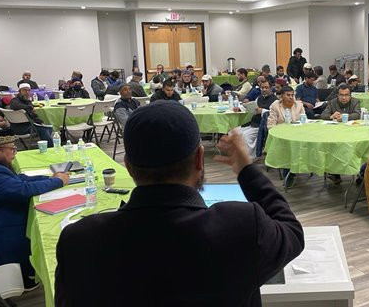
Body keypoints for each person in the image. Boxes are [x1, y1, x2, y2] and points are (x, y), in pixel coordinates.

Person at [54, 101, 304, 306]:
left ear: (128, 166)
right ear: (199, 159)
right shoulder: (242, 226)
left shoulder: (78, 241)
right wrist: (246, 170)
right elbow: (291, 231)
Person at [0, 129, 69, 289]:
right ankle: (28, 276)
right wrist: (58, 182)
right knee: (45, 225)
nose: (15, 153)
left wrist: (50, 178)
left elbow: (17, 180)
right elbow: (23, 190)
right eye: (13, 149)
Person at [320, 84, 362, 184]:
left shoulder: (355, 101)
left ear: (350, 95)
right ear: (337, 95)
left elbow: (357, 114)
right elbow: (323, 115)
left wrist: (345, 116)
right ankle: (334, 172)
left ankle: (356, 169)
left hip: (352, 132)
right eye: (341, 95)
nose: (343, 97)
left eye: (346, 95)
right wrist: (331, 116)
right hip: (335, 133)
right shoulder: (332, 102)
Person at [268, 86, 305, 187]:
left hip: (298, 134)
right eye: (288, 95)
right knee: (288, 148)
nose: (291, 97)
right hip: (282, 136)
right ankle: (289, 174)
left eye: (292, 95)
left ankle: (300, 167)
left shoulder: (299, 105)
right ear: (281, 97)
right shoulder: (275, 106)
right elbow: (271, 126)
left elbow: (304, 121)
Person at [237, 80, 277, 159]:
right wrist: (240, 108)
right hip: (253, 123)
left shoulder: (275, 101)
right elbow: (251, 105)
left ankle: (250, 157)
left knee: (246, 135)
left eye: (266, 87)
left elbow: (274, 113)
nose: (264, 89)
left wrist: (262, 111)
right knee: (235, 132)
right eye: (262, 88)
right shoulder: (259, 98)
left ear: (271, 88)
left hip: (262, 126)